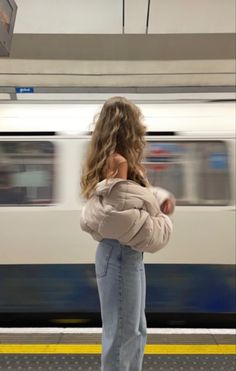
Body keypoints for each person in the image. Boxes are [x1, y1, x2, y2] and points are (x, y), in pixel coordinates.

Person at [80, 96, 175, 371]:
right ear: (129, 127)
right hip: (120, 254)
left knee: (134, 332)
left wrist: (155, 202)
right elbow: (116, 214)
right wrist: (155, 217)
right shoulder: (118, 161)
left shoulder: (115, 160)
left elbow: (123, 203)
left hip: (125, 255)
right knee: (123, 336)